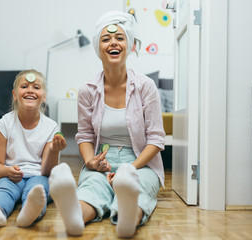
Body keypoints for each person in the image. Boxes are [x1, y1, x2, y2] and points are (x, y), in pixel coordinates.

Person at [48, 10, 165, 238]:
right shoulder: (87, 90)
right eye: (106, 39)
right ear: (98, 47)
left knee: (137, 188)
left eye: (120, 38)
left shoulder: (145, 86)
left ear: (129, 45)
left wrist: (129, 168)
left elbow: (156, 140)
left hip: (140, 163)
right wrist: (91, 161)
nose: (113, 43)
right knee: (92, 188)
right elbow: (85, 136)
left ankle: (127, 217)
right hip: (103, 161)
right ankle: (75, 217)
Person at [0, 69, 66, 227]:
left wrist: (54, 150)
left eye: (36, 87)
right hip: (10, 176)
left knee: (37, 190)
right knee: (4, 190)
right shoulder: (4, 124)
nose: (30, 91)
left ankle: (29, 214)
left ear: (44, 97)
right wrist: (7, 172)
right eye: (25, 86)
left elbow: (47, 171)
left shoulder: (51, 127)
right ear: (14, 94)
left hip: (38, 175)